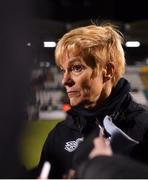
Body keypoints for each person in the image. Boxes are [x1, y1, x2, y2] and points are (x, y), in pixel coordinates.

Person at [34, 23, 148, 178]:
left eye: (76, 68)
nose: (64, 81)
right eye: (63, 70)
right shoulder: (58, 135)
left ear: (107, 71)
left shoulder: (144, 128)